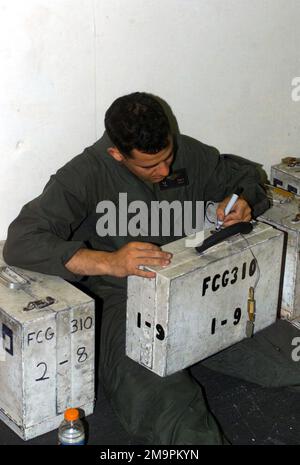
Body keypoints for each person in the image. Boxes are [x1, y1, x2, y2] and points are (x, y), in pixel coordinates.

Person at [3, 92, 299, 445]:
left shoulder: (186, 153)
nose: (164, 171)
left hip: (193, 289)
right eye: (149, 167)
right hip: (124, 304)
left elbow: (244, 177)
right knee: (174, 414)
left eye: (168, 157)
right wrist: (109, 262)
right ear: (116, 153)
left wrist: (243, 202)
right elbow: (23, 240)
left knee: (288, 356)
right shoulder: (84, 174)